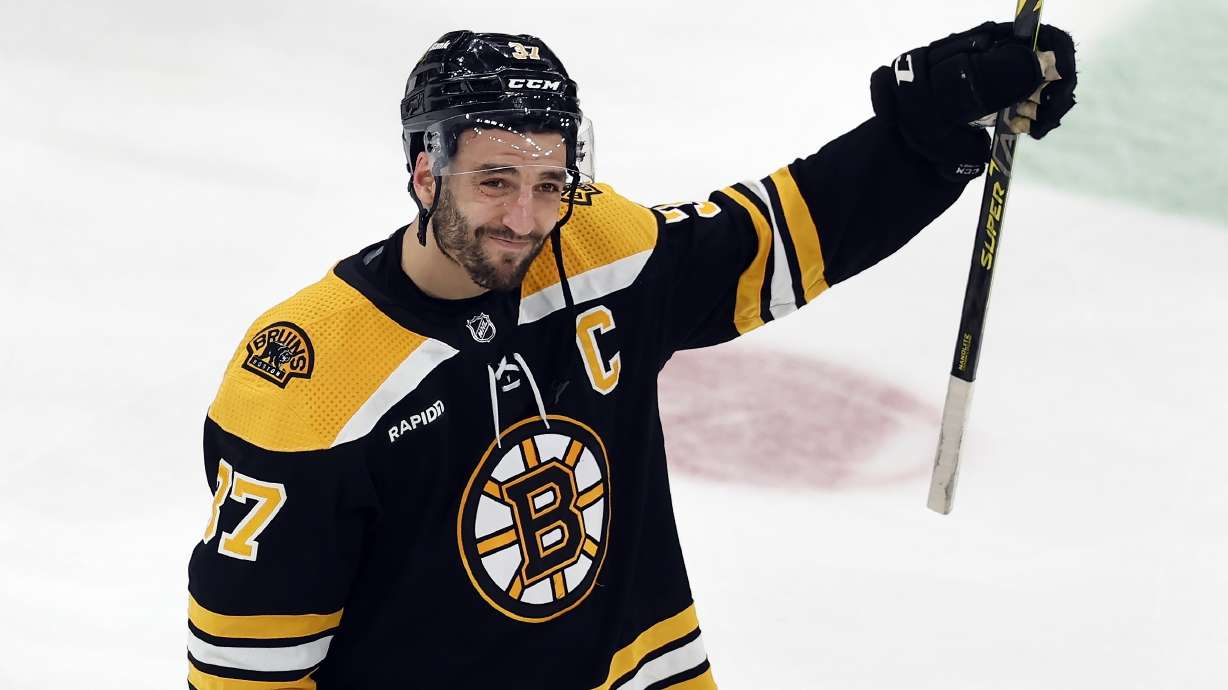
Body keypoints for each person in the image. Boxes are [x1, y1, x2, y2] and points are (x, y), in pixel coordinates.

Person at [186, 25, 1076, 689]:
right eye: (493, 181)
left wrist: (930, 134)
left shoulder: (597, 247)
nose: (526, 218)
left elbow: (779, 238)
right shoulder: (309, 377)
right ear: (425, 172)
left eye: (549, 183)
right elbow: (244, 672)